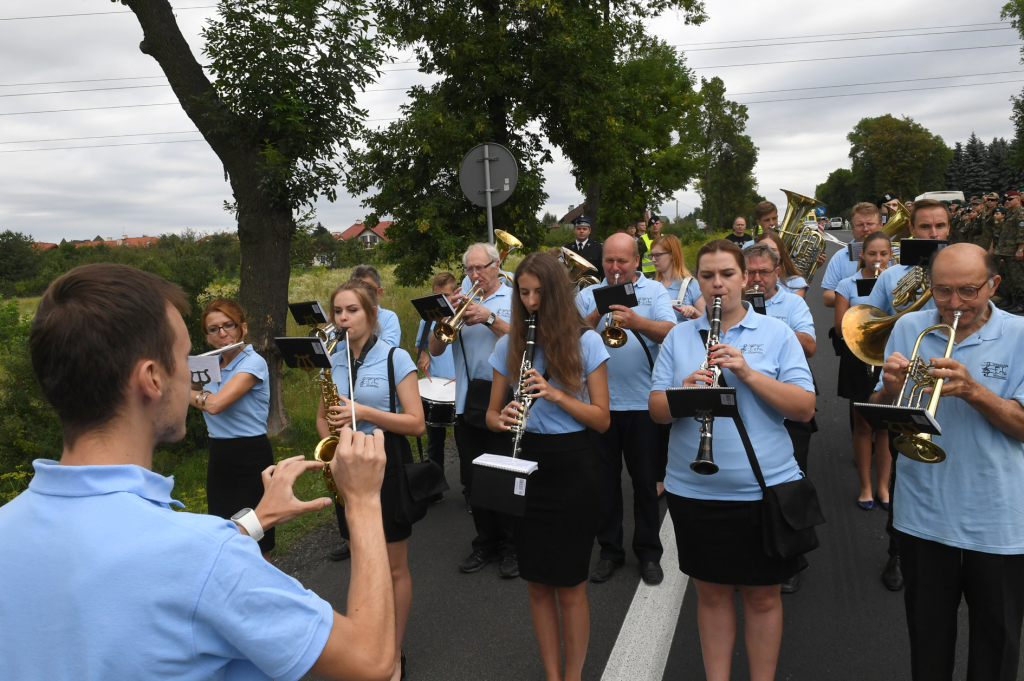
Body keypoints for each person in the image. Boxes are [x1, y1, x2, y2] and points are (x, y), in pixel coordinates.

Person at [0, 263, 397, 681]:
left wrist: (256, 520)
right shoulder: (204, 557)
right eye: (183, 357)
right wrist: (364, 502)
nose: (193, 370)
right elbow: (370, 661)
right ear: (152, 378)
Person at [650, 240, 816, 681]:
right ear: (697, 282)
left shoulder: (777, 333)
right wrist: (685, 392)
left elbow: (803, 408)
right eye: (707, 276)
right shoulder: (680, 336)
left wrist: (747, 373)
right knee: (712, 595)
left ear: (745, 277)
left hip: (763, 490)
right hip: (694, 490)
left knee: (762, 598)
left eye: (727, 274)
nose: (717, 284)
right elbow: (656, 410)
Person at [870, 243, 1024, 681]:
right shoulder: (909, 327)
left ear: (993, 285)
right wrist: (888, 389)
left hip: (999, 520)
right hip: (924, 515)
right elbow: (886, 410)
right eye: (942, 291)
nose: (954, 304)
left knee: (995, 652)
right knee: (928, 646)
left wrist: (974, 391)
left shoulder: (1020, 335)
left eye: (968, 291)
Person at [486, 252, 611, 681]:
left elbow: (602, 418)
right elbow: (490, 415)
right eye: (523, 292)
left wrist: (557, 395)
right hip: (526, 462)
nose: (531, 300)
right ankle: (552, 675)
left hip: (574, 465)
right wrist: (501, 417)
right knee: (537, 583)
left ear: (556, 293)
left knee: (571, 585)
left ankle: (573, 677)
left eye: (539, 292)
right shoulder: (509, 344)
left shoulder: (586, 341)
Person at [316, 279, 425, 681]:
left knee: (394, 567)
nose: (343, 318)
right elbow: (323, 417)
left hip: (387, 461)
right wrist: (329, 433)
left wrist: (362, 411)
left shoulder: (396, 358)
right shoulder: (333, 360)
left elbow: (416, 424)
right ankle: (368, 645)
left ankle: (392, 653)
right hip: (347, 464)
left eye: (352, 311)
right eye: (338, 312)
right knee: (362, 561)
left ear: (371, 314)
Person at [576, 233, 676, 585]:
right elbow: (571, 339)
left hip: (643, 403)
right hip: (599, 405)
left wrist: (637, 322)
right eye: (609, 261)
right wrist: (596, 313)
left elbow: (670, 331)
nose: (615, 268)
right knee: (604, 484)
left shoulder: (655, 291)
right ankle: (609, 551)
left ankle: (649, 553)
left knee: (646, 484)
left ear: (637, 261)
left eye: (622, 261)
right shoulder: (588, 293)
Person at [429, 243, 517, 577]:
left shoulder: (512, 299)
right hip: (468, 401)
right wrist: (444, 318)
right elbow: (436, 348)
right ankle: (485, 543)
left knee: (505, 474)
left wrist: (489, 317)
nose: (475, 275)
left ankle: (512, 547)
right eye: (470, 269)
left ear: (497, 266)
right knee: (476, 477)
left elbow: (524, 341)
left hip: (506, 400)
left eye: (481, 268)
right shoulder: (459, 299)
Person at [744, 242, 818, 594]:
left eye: (764, 272)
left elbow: (811, 344)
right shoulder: (733, 303)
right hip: (749, 403)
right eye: (751, 272)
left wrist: (771, 327)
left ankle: (792, 558)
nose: (757, 279)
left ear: (777, 272)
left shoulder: (793, 302)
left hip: (789, 395)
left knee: (791, 480)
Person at [189, 298, 274, 556]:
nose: (222, 333)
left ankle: (267, 595)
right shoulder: (208, 363)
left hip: (249, 456)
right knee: (225, 539)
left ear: (243, 328)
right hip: (219, 455)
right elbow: (194, 396)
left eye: (229, 325)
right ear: (207, 336)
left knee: (256, 544)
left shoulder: (253, 361)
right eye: (213, 329)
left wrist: (181, 389)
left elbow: (215, 405)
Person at [833, 231, 893, 512]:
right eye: (872, 254)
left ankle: (883, 486)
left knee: (884, 428)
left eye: (883, 253)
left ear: (891, 255)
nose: (878, 259)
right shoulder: (847, 284)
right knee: (863, 425)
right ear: (862, 255)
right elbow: (841, 327)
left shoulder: (895, 282)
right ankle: (865, 487)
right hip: (857, 359)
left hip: (888, 357)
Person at [865, 199, 951, 317]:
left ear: (948, 228)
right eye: (925, 227)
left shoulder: (966, 271)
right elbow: (871, 319)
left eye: (940, 226)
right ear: (912, 229)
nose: (934, 234)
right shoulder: (888, 276)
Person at [416, 272, 458, 499]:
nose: (441, 302)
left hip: (458, 387)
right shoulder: (427, 321)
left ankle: (469, 489)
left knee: (464, 441)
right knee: (435, 442)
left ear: (455, 294)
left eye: (446, 296)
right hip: (435, 388)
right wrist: (424, 355)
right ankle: (435, 489)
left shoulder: (462, 318)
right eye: (437, 297)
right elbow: (420, 347)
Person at [821, 203, 883, 308]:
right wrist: (853, 297)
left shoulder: (895, 253)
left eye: (870, 224)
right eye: (860, 225)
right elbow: (827, 298)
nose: (865, 229)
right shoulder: (840, 257)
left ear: (881, 225)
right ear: (852, 228)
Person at [651, 234, 706, 322]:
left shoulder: (691, 285)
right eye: (652, 255)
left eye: (658, 255)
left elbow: (707, 321)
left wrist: (693, 311)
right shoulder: (651, 286)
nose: (653, 259)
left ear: (672, 254)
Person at [351, 264, 401, 347]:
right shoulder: (342, 316)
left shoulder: (389, 317)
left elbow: (388, 349)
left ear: (379, 293)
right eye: (355, 288)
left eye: (367, 288)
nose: (361, 293)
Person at [754, 231, 808, 298]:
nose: (767, 255)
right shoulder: (749, 280)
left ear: (781, 253)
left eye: (773, 250)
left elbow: (793, 307)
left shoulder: (796, 282)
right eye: (762, 250)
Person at [994, 191, 1024, 313]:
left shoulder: (1021, 214)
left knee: (1019, 279)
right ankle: (1013, 300)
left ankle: (1021, 302)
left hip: (1015, 252)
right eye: (1006, 199)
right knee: (1010, 279)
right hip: (1007, 252)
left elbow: (1022, 233)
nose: (1007, 201)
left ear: (1018, 199)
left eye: (1010, 199)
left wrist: (1020, 249)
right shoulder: (1011, 214)